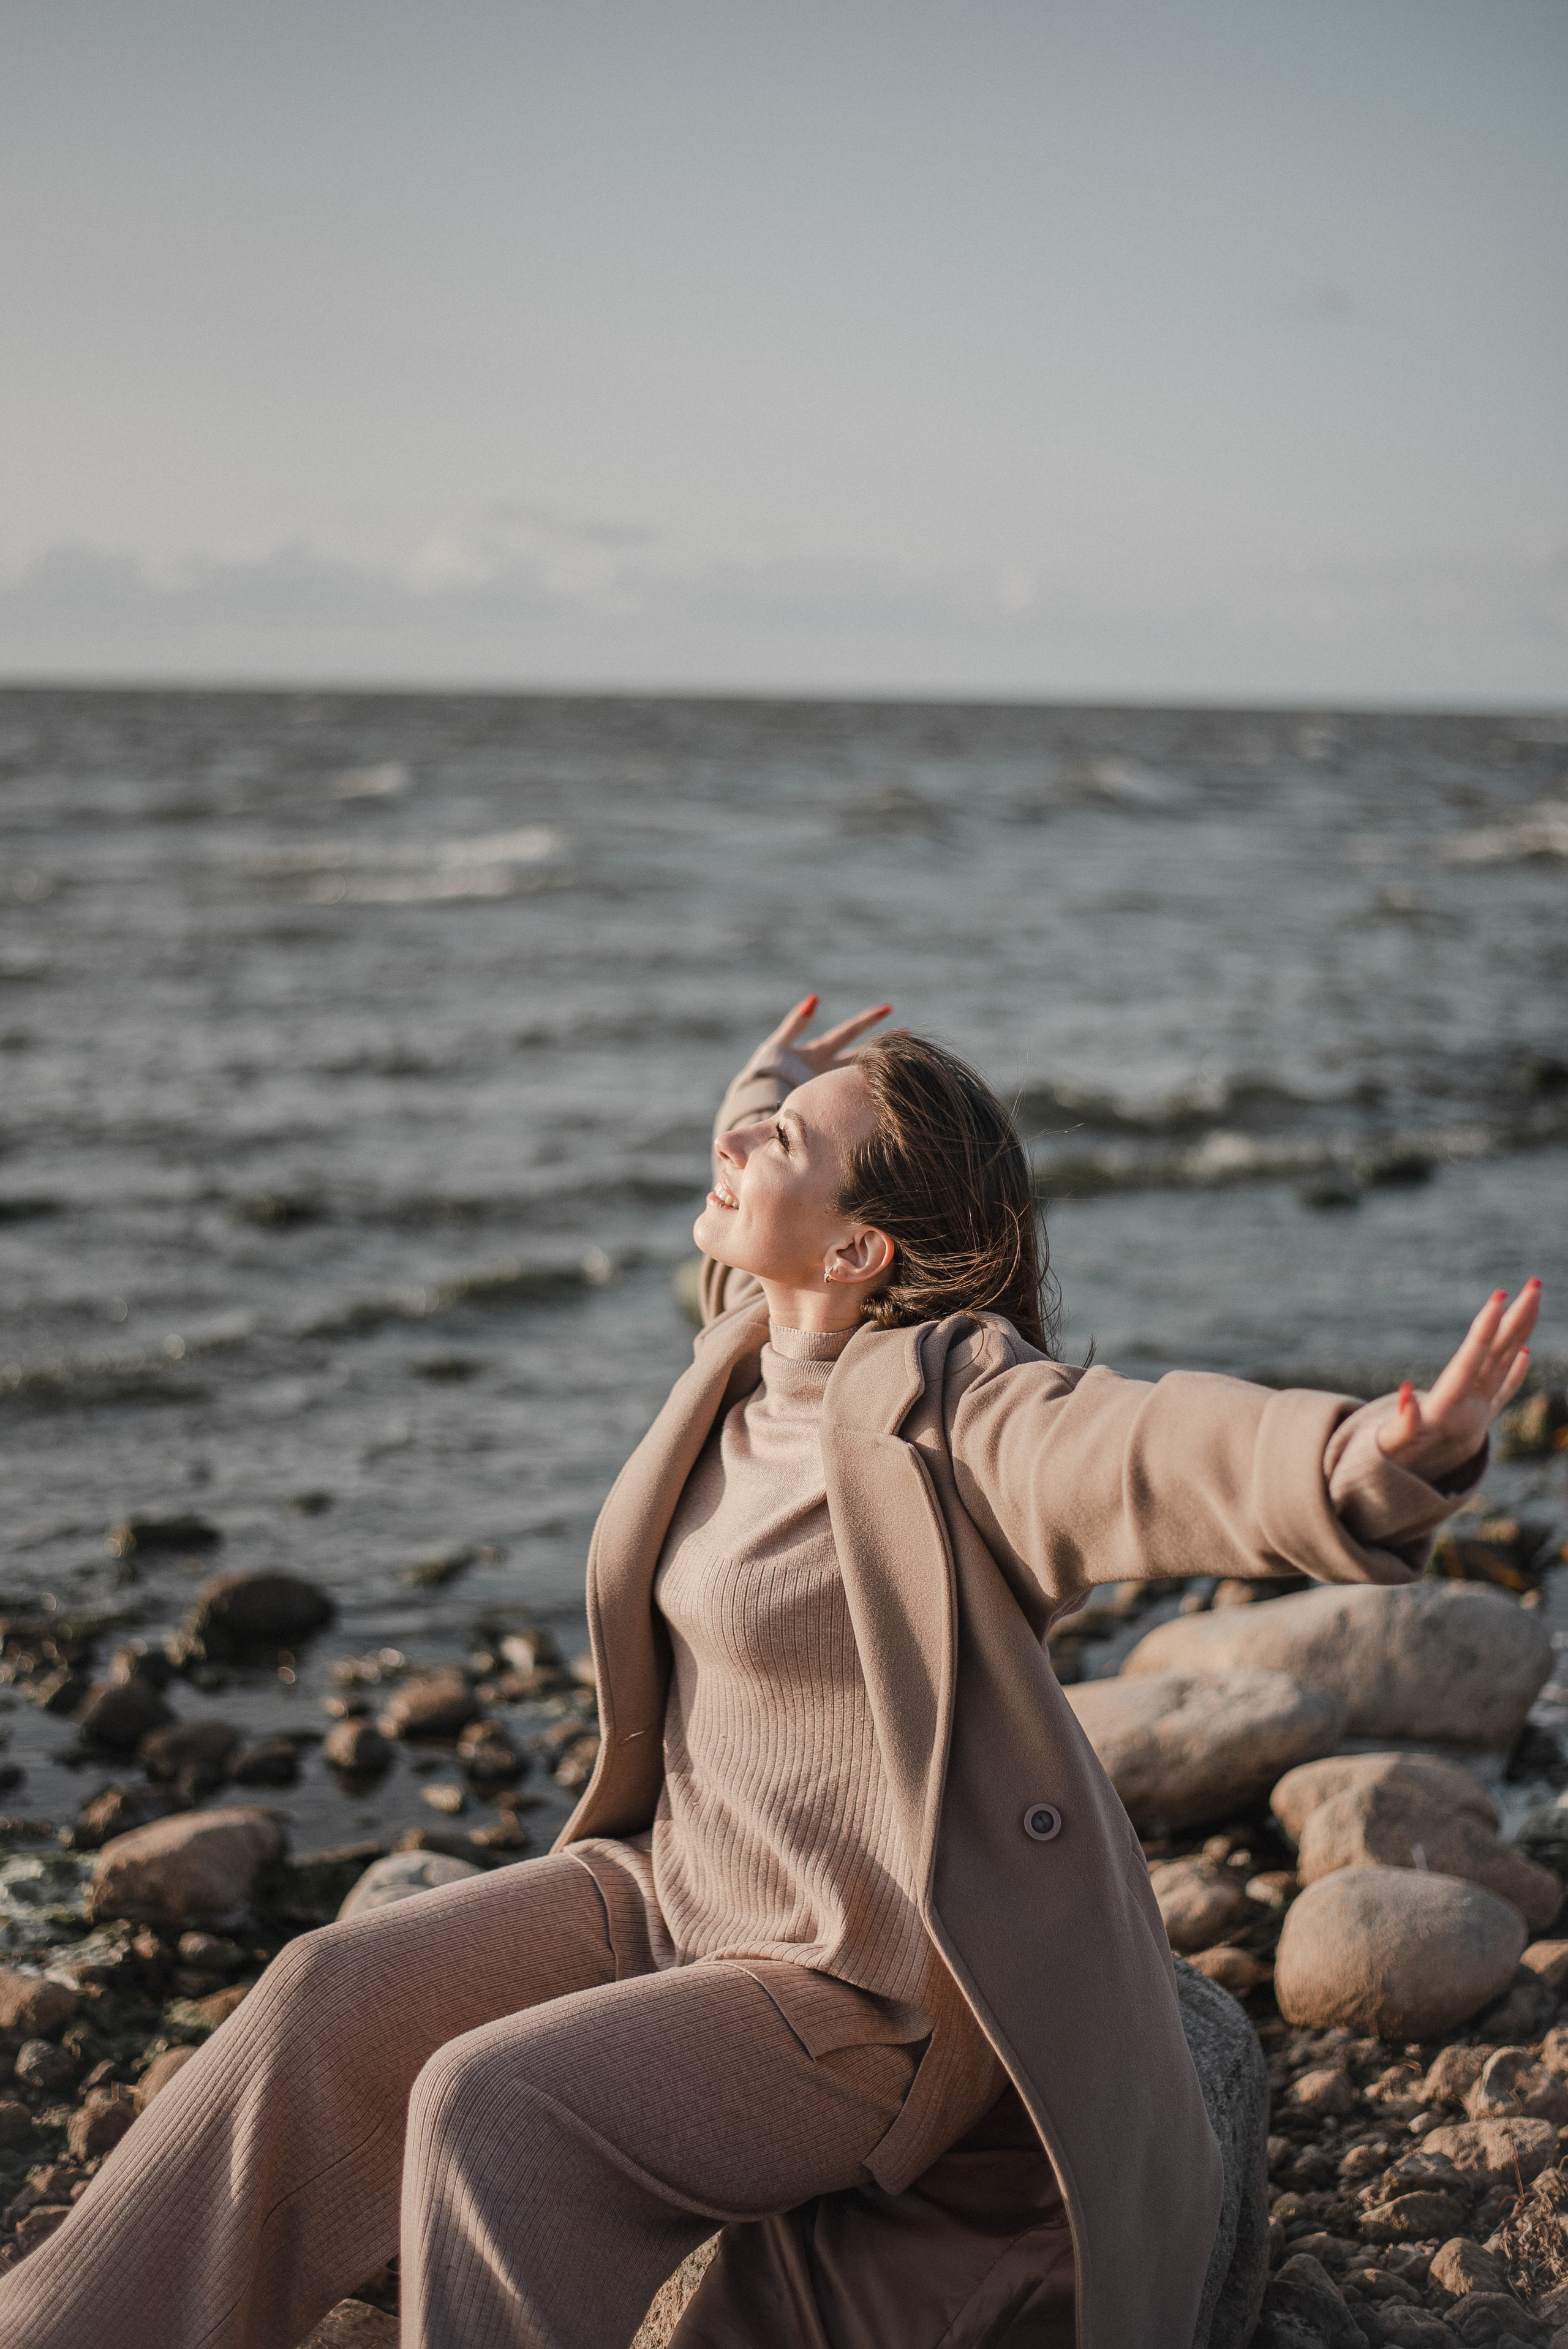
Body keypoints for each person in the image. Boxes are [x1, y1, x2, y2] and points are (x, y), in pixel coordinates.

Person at [0, 998, 1537, 2349]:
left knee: (493, 2110)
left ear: (862, 1249)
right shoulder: (751, 1337)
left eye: (779, 1144)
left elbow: (1137, 1445)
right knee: (325, 1988)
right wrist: (765, 1084)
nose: (735, 1157)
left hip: (844, 1992)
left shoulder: (954, 1409)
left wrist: (1368, 1459)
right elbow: (741, 1182)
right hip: (669, 1896)